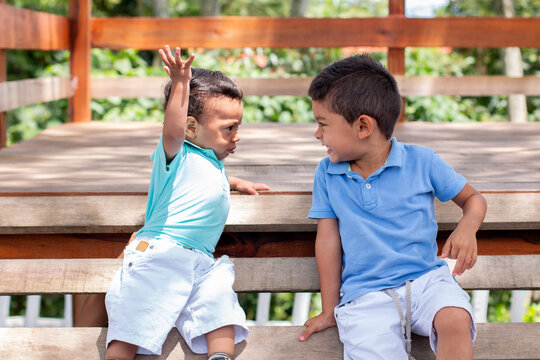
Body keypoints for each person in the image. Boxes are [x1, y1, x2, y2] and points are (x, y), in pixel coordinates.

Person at [298, 54, 487, 360]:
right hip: (365, 296)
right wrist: (329, 309)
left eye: (323, 124)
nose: (317, 134)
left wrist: (468, 227)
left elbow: (474, 199)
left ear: (363, 126)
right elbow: (328, 241)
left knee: (456, 318)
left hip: (426, 280)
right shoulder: (327, 173)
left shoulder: (422, 161)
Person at [105, 45, 270, 360]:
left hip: (201, 262)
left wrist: (233, 182)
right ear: (192, 127)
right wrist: (181, 82)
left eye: (238, 126)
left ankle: (219, 357)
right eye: (229, 128)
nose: (237, 136)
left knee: (220, 307)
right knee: (132, 325)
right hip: (162, 254)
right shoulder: (175, 152)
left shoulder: (211, 162)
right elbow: (173, 130)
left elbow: (202, 181)